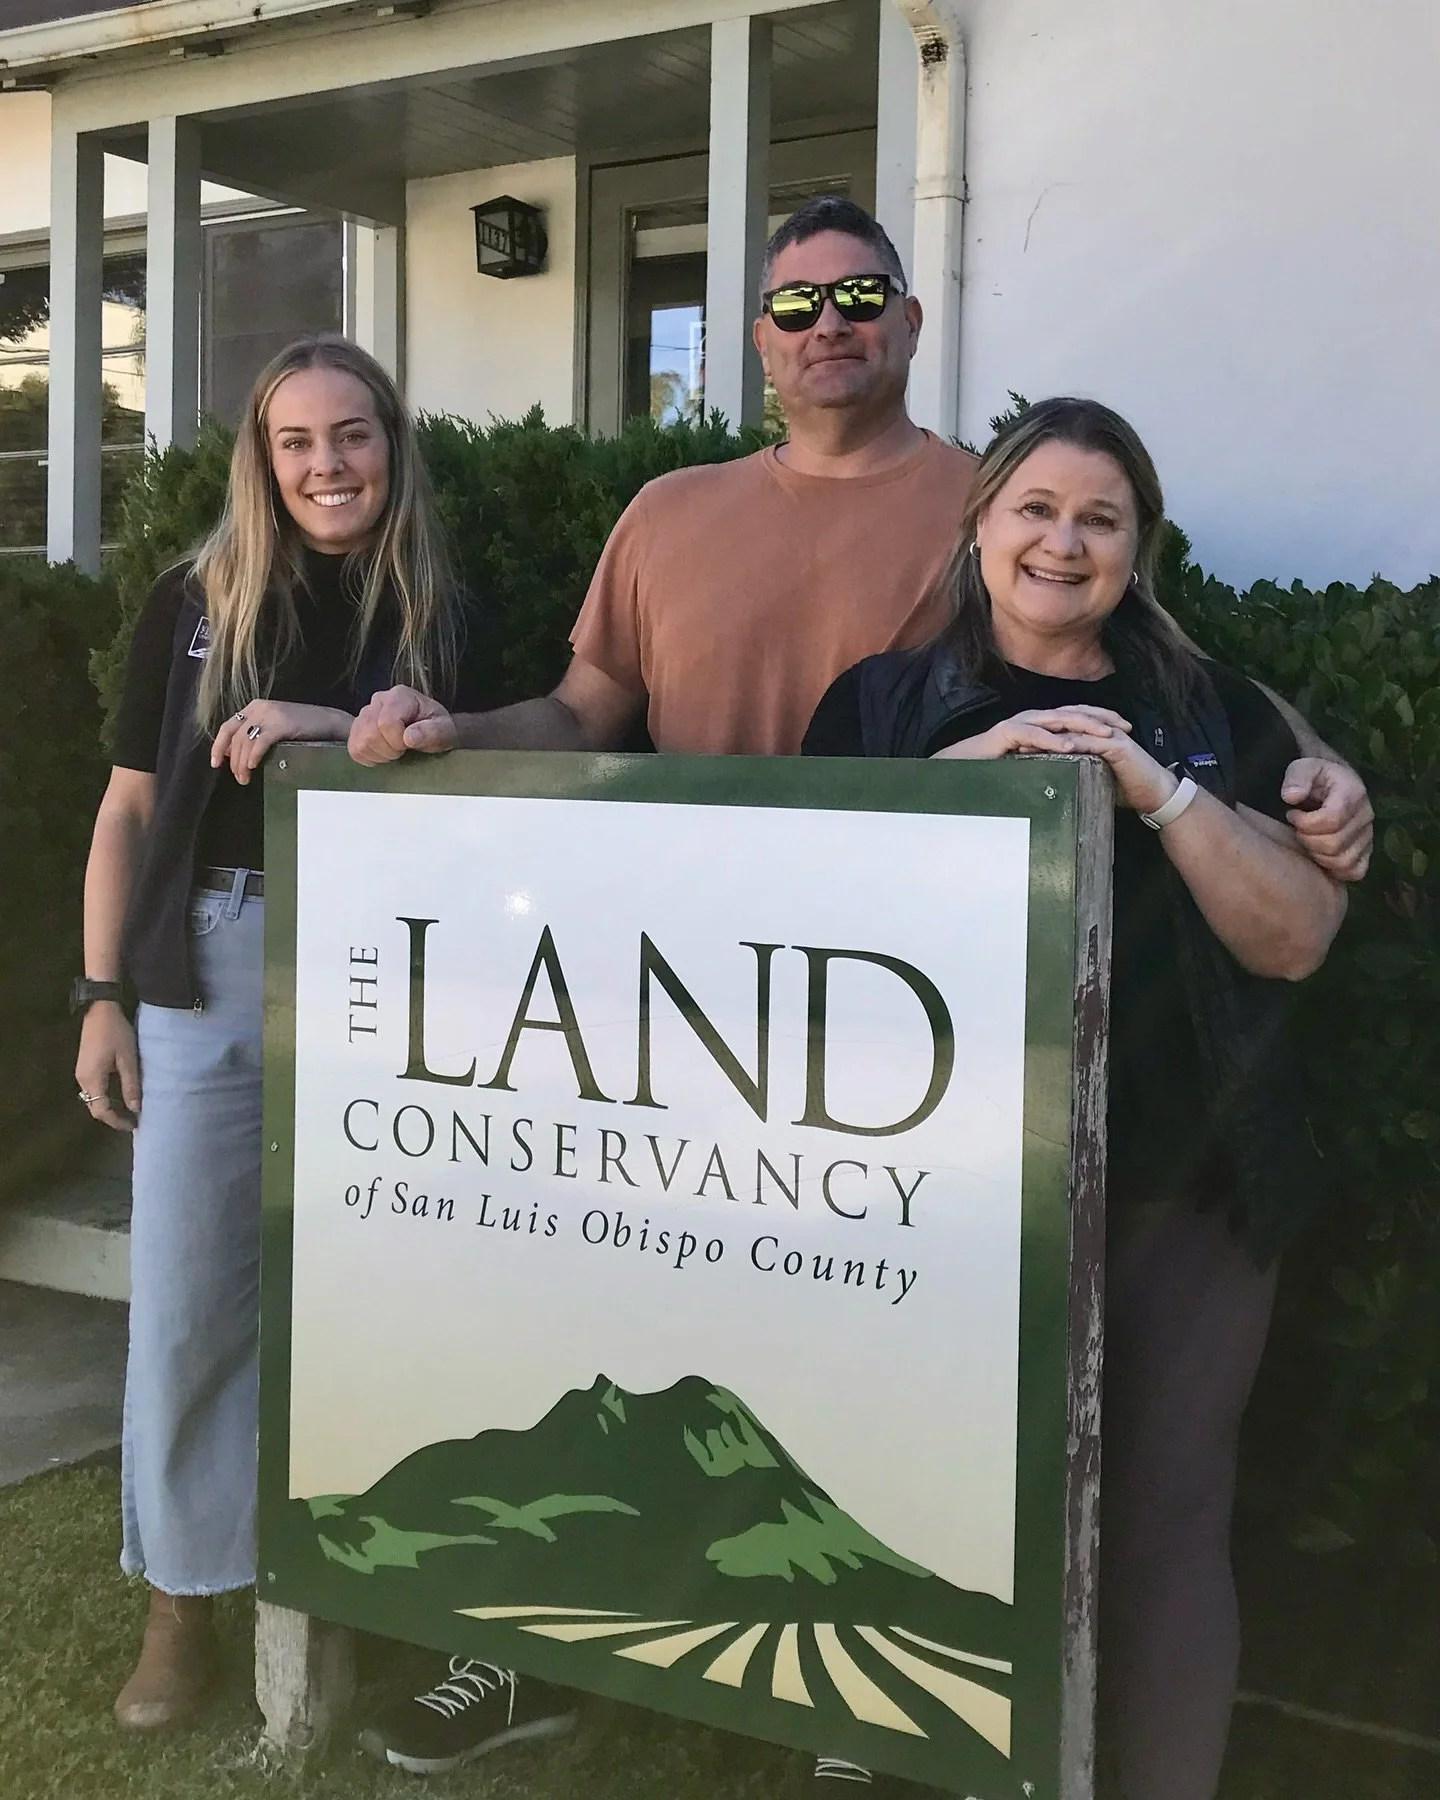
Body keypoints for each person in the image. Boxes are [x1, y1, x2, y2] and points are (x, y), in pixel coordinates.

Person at [345, 200, 1372, 1791]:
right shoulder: (676, 519)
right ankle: (553, 1652)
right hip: (710, 1034)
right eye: (795, 301)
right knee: (650, 1374)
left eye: (860, 294)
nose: (829, 321)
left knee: (995, 1454)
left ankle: (882, 1729)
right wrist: (443, 733)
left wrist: (1322, 764)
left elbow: (1196, 689)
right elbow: (579, 712)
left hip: (978, 1099)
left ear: (901, 321)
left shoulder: (1000, 511)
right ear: (755, 337)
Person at [803, 396, 1348, 1800]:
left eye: (1099, 518)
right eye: (1035, 508)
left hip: (1188, 1180)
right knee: (941, 1507)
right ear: (979, 523)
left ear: (1137, 548)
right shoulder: (874, 706)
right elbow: (801, 916)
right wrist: (962, 783)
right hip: (945, 1196)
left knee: (1169, 1520)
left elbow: (1291, 934)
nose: (1063, 541)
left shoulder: (1210, 713)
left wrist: (1157, 789)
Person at [71, 335, 538, 1735]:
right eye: (296, 441)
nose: (327, 466)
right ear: (260, 462)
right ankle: (183, 1597)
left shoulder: (446, 609)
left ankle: (371, 1574)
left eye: (354, 436)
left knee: (387, 1289)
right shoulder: (193, 602)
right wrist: (103, 996)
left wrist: (338, 725)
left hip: (398, 974)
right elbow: (128, 812)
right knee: (194, 1288)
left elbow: (514, 762)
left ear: (393, 446)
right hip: (212, 955)